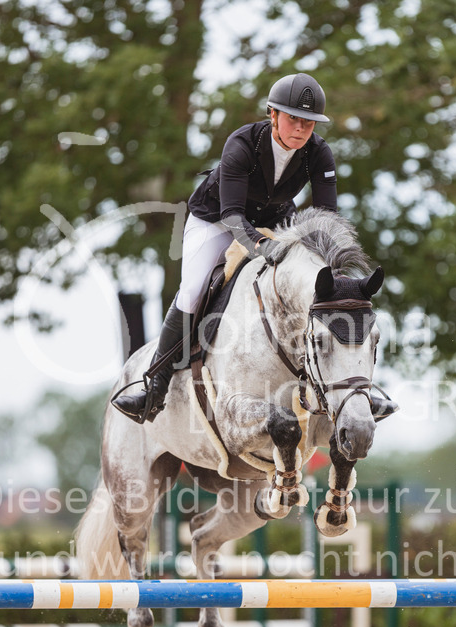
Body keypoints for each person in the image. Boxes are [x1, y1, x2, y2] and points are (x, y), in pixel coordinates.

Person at [113, 73, 398, 424]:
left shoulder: (319, 152)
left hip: (276, 222)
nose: (301, 128)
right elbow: (232, 215)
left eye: (308, 122)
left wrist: (334, 273)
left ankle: (360, 388)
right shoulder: (242, 144)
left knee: (318, 286)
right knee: (192, 290)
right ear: (272, 114)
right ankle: (155, 387)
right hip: (215, 221)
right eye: (293, 118)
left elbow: (327, 219)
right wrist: (261, 246)